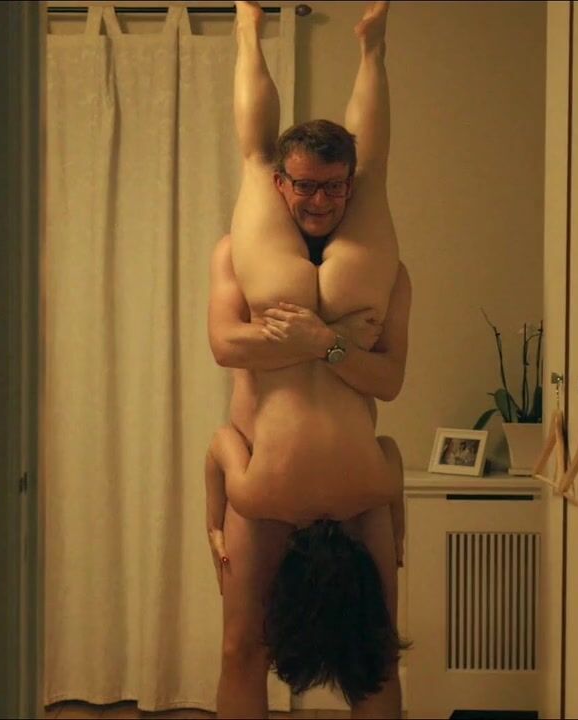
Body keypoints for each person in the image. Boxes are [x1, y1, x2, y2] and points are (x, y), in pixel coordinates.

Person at [203, 2, 413, 717]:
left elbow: (391, 381)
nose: (319, 199)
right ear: (284, 186)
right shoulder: (236, 251)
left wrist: (322, 343)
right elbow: (225, 346)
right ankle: (247, 30)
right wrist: (308, 341)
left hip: (355, 502)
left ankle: (372, 49)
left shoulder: (388, 270)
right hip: (268, 503)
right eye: (303, 185)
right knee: (241, 651)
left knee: (375, 658)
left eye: (332, 186)